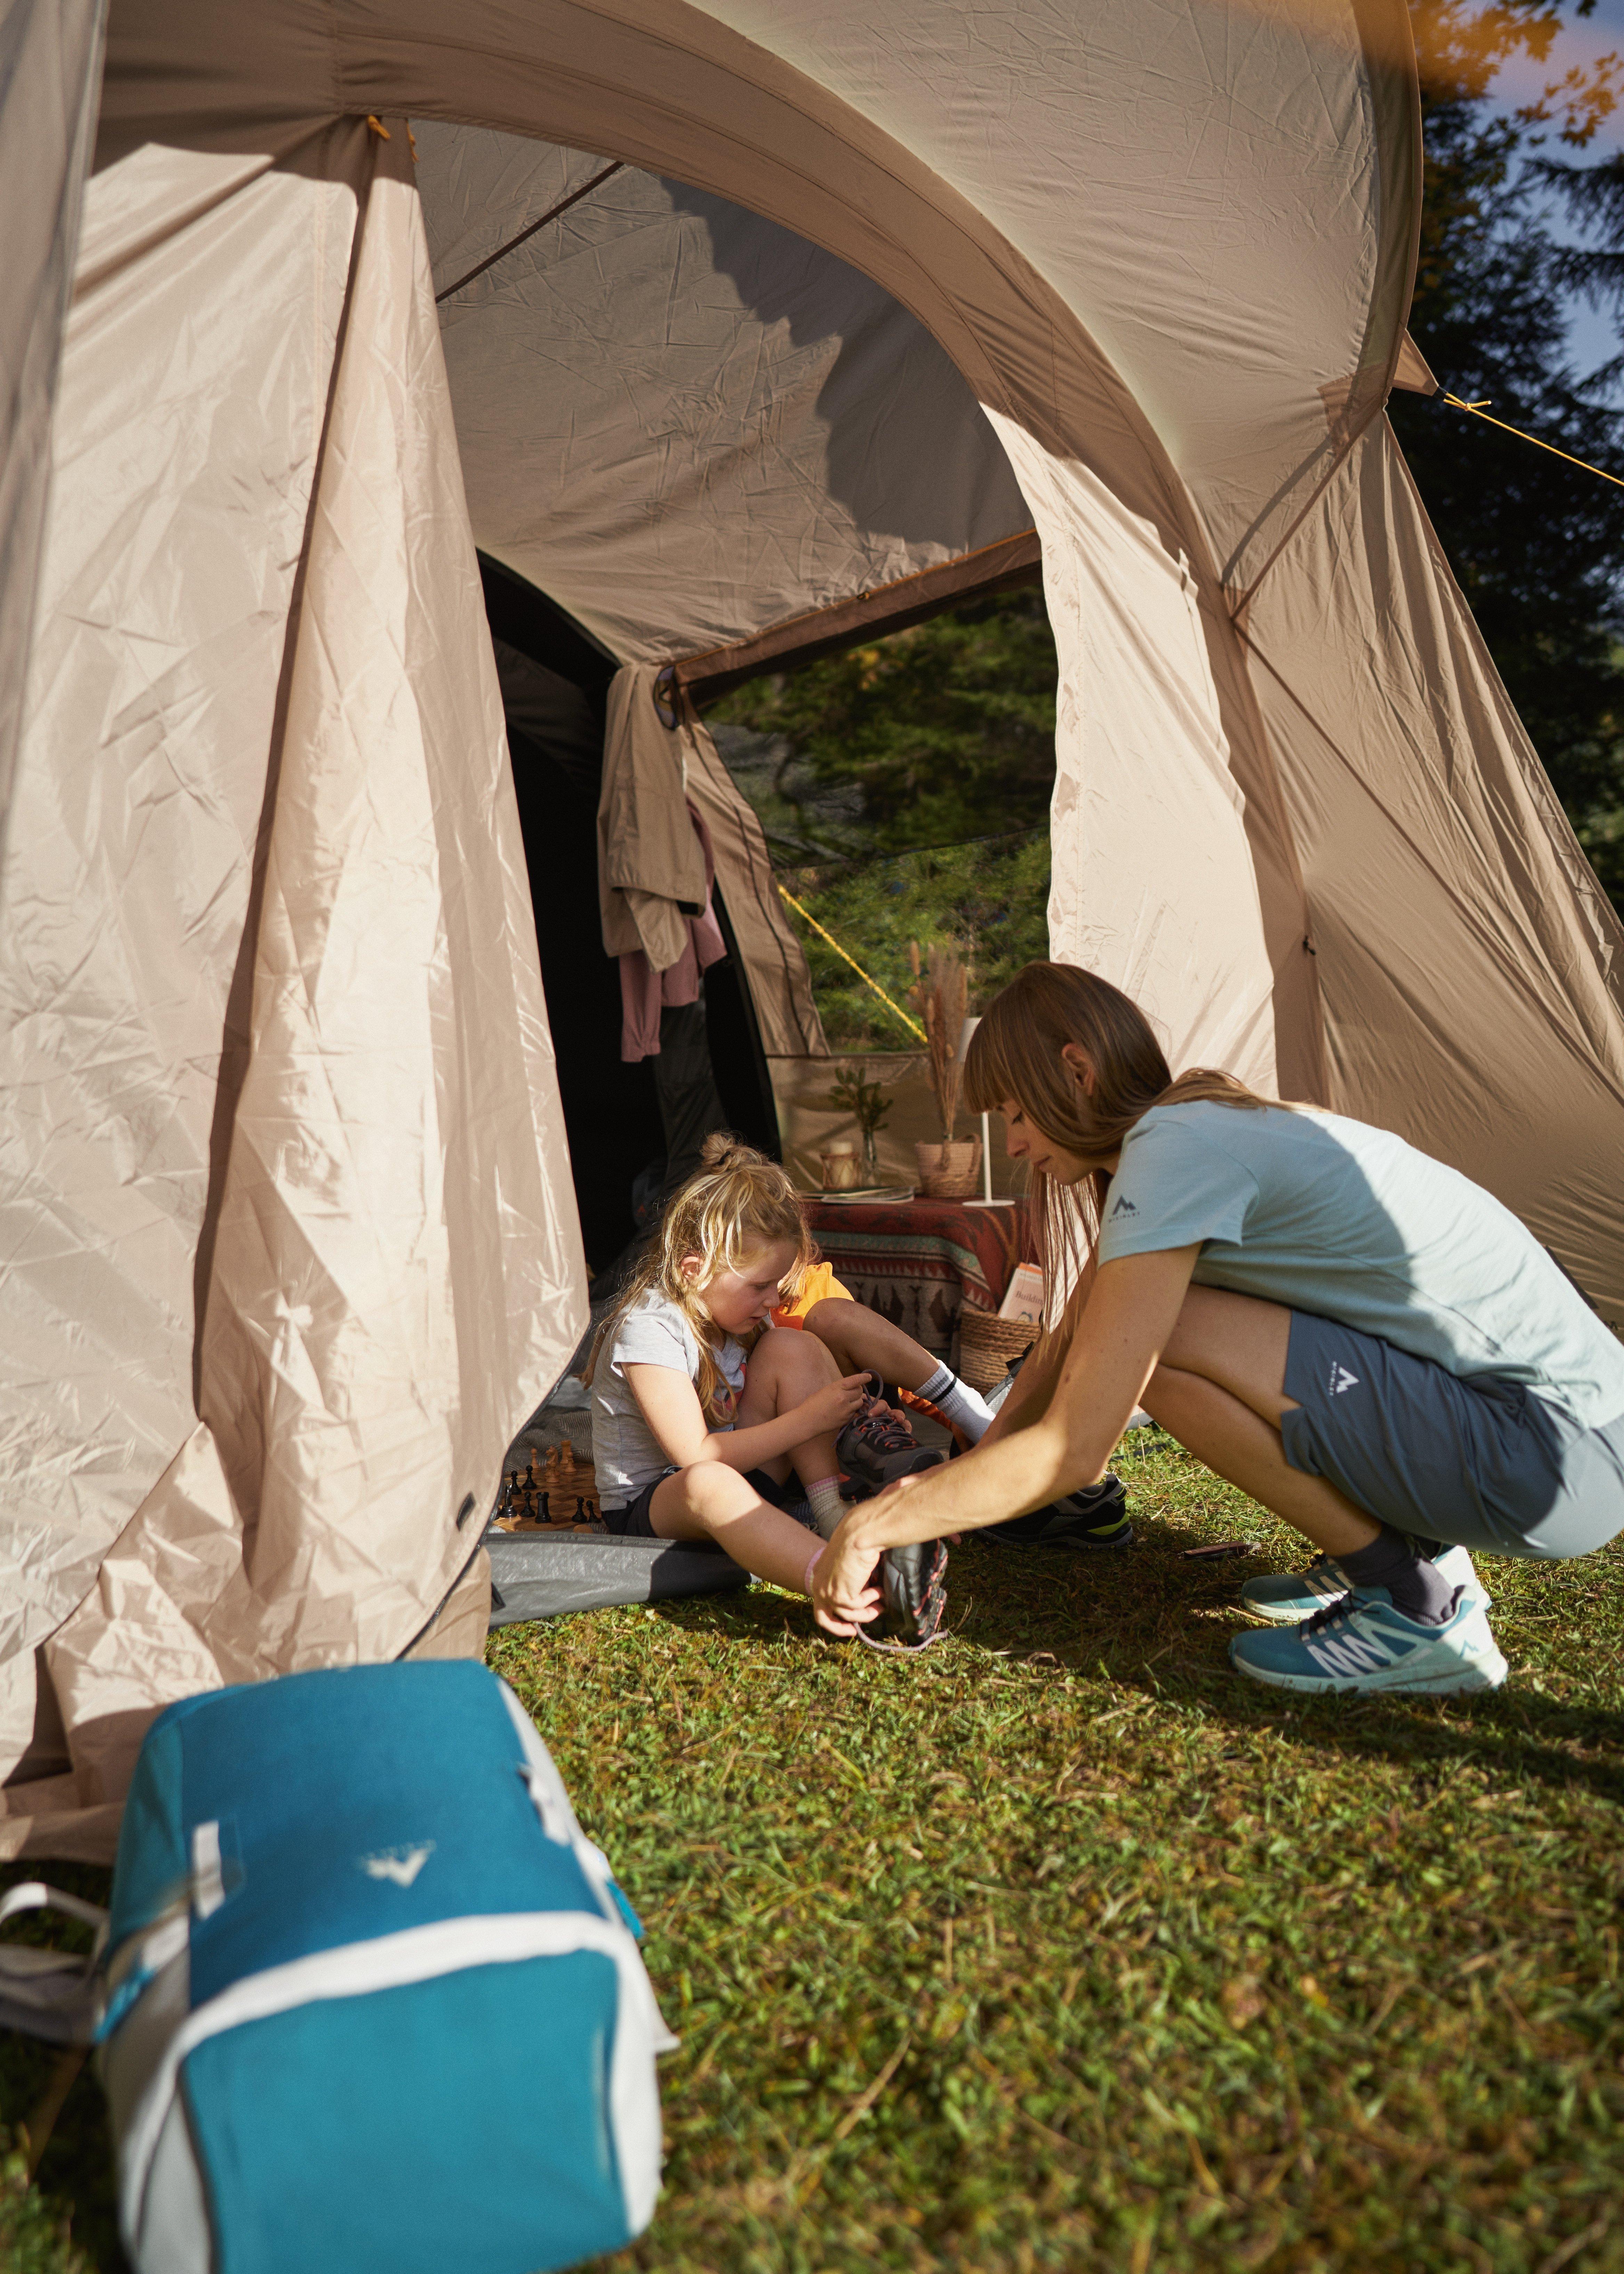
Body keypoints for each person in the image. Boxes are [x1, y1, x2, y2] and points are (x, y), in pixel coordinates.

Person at [810, 962, 1624, 1694]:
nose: (1014, 1143)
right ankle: (1406, 1549)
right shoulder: (1190, 1124)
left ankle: (1415, 1603)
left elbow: (1074, 1448)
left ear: (1077, 1071)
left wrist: (879, 1521)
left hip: (1551, 1453)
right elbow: (1065, 1340)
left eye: (1016, 1112)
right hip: (1562, 1436)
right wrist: (969, 1477)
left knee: (1163, 1343)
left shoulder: (1173, 1152)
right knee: (1140, 1326)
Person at [585, 1135, 950, 1622]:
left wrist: (852, 1416)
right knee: (709, 1481)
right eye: (760, 1286)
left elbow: (794, 1387)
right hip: (658, 1504)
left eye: (777, 1285)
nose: (774, 1301)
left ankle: (831, 1513)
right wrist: (810, 1419)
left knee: (793, 1347)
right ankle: (834, 1576)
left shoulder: (737, 1313)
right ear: (694, 1271)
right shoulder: (649, 1327)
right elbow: (696, 1456)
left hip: (744, 1477)